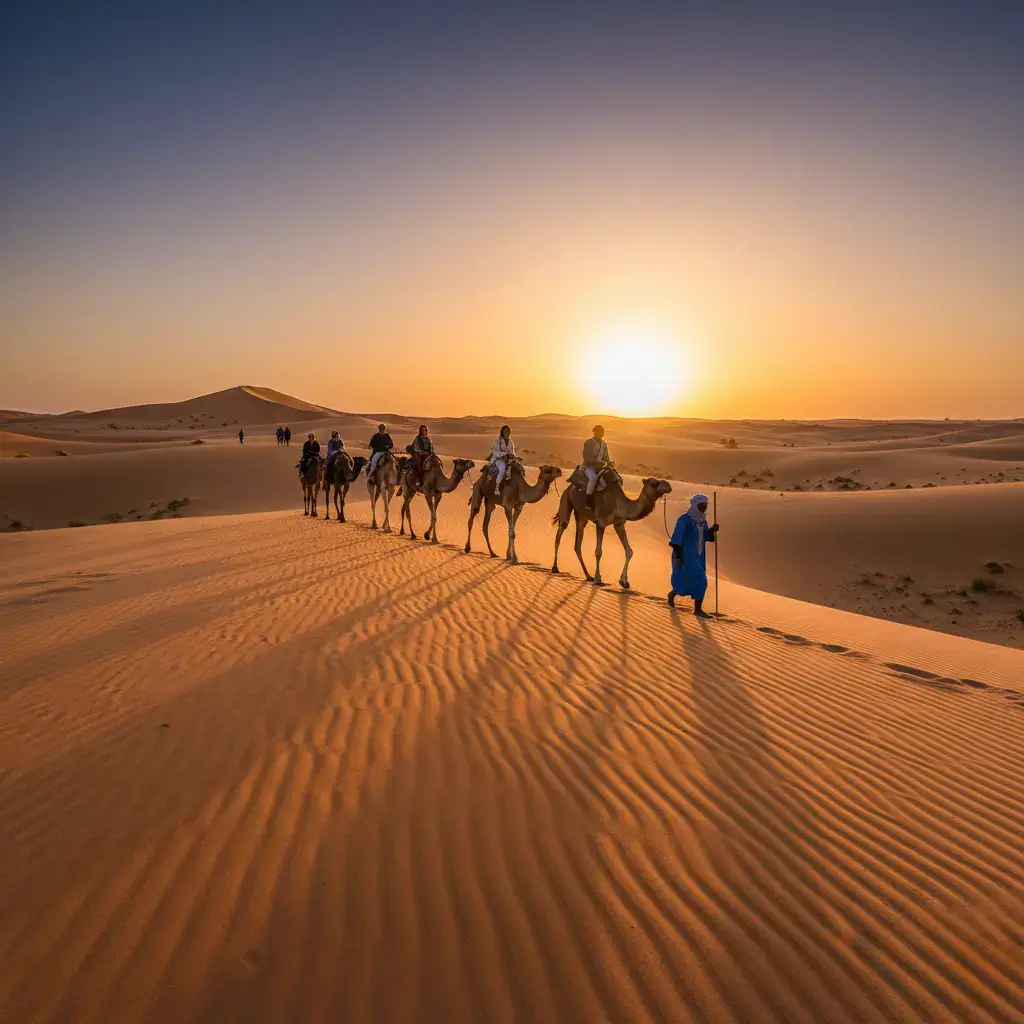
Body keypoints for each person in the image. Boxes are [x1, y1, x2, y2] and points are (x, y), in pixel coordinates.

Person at [668, 493, 719, 618]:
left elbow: (708, 537)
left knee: (693, 579)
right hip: (685, 555)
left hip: (699, 556)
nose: (704, 508)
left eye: (705, 505)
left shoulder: (703, 520)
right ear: (695, 505)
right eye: (702, 505)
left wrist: (712, 530)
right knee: (699, 579)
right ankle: (697, 609)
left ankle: (674, 595)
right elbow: (676, 540)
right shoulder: (684, 520)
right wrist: (679, 558)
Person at [582, 424, 610, 507]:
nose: (601, 433)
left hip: (601, 467)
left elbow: (606, 456)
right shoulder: (588, 442)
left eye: (602, 432)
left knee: (614, 478)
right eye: (599, 432)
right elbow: (586, 457)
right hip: (589, 467)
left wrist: (609, 462)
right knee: (593, 478)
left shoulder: (604, 444)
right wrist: (598, 463)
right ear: (594, 432)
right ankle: (588, 499)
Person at [488, 424, 515, 495]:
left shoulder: (510, 442)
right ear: (502, 432)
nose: (508, 433)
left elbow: (512, 452)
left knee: (518, 468)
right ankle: (497, 487)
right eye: (507, 431)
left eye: (509, 431)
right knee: (502, 469)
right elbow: (494, 452)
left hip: (508, 460)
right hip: (498, 459)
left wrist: (514, 457)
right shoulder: (498, 440)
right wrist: (504, 454)